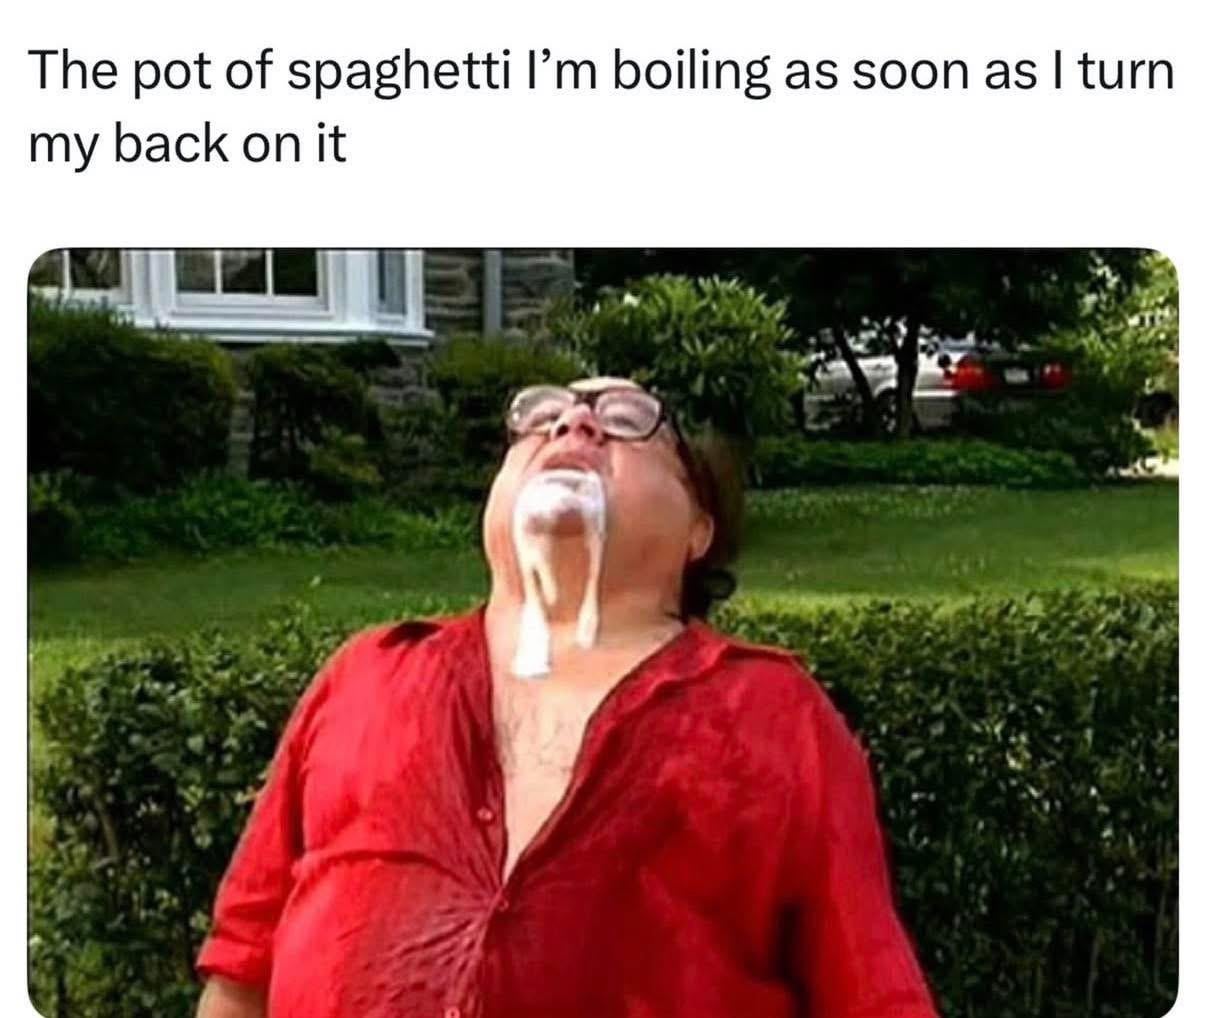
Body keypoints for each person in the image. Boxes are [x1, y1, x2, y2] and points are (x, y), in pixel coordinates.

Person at [196, 377, 938, 1018]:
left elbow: (872, 994)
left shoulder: (776, 714)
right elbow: (242, 970)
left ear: (699, 529)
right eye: (542, 417)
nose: (573, 422)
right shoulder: (367, 674)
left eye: (626, 422)